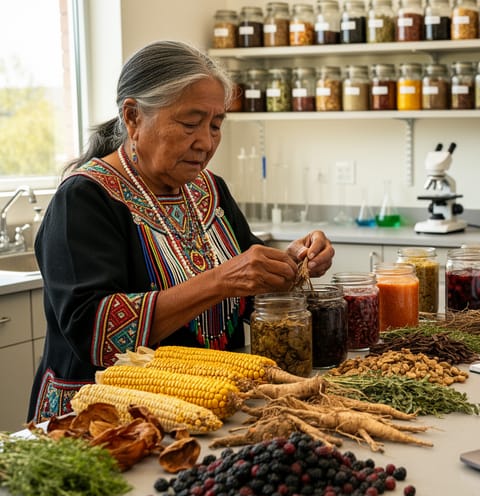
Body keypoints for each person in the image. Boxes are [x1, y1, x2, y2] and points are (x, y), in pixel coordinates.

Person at [28, 41, 334, 423]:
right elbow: (95, 333)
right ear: (133, 117)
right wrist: (220, 281)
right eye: (190, 124)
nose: (205, 142)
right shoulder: (84, 199)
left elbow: (249, 282)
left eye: (216, 125)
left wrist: (293, 262)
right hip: (103, 420)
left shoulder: (209, 190)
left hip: (208, 411)